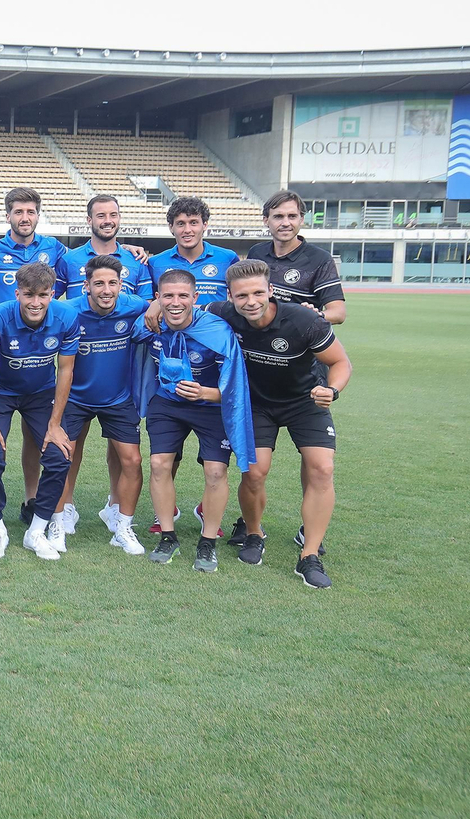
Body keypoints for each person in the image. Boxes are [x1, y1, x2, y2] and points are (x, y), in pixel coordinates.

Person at [208, 260, 351, 589]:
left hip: (305, 401)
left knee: (322, 469)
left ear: (271, 291)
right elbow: (186, 304)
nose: (251, 301)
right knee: (254, 472)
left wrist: (332, 389)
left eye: (259, 292)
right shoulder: (223, 313)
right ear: (230, 296)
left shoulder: (304, 321)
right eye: (242, 296)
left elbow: (340, 362)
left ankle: (309, 555)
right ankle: (255, 533)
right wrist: (158, 302)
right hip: (257, 404)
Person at [132, 268, 255, 572]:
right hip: (167, 404)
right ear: (158, 298)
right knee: (159, 464)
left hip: (210, 405)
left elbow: (236, 385)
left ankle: (207, 542)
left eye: (183, 296)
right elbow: (133, 334)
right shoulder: (151, 323)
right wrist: (150, 309)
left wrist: (207, 393)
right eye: (168, 296)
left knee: (215, 471)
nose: (176, 303)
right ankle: (168, 535)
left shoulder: (216, 330)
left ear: (195, 298)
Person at [0, 263, 80, 561]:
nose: (35, 302)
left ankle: (36, 530)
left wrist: (54, 424)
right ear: (17, 294)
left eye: (42, 295)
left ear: (53, 294)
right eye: (28, 295)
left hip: (40, 394)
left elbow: (65, 370)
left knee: (59, 454)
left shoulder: (66, 317)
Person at [55, 255, 150, 555]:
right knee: (62, 458)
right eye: (99, 283)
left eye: (112, 283)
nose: (106, 290)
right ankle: (59, 519)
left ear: (122, 285)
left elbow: (157, 306)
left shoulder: (134, 306)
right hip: (75, 399)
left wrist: (159, 304)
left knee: (132, 461)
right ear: (86, 286)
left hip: (118, 399)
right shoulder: (68, 310)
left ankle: (122, 525)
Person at [247, 190, 346, 324]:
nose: (286, 223)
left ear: (301, 219)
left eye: (292, 216)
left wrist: (314, 315)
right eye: (278, 216)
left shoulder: (320, 259)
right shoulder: (256, 253)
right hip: (260, 338)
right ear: (266, 220)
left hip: (299, 340)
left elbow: (338, 313)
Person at [57, 194, 154, 301]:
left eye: (113, 215)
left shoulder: (137, 260)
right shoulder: (69, 260)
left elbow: (146, 306)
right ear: (89, 220)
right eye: (101, 216)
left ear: (119, 218)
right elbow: (50, 300)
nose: (108, 221)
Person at [0, 188, 65, 306]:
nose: (25, 219)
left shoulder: (53, 246)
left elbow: (76, 263)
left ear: (38, 217)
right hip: (2, 323)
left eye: (30, 212)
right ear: (8, 216)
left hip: (42, 323)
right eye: (18, 212)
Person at [147, 197, 239, 305]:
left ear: (204, 225)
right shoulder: (154, 263)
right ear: (171, 227)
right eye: (180, 224)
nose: (187, 230)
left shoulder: (228, 258)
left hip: (214, 322)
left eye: (193, 223)